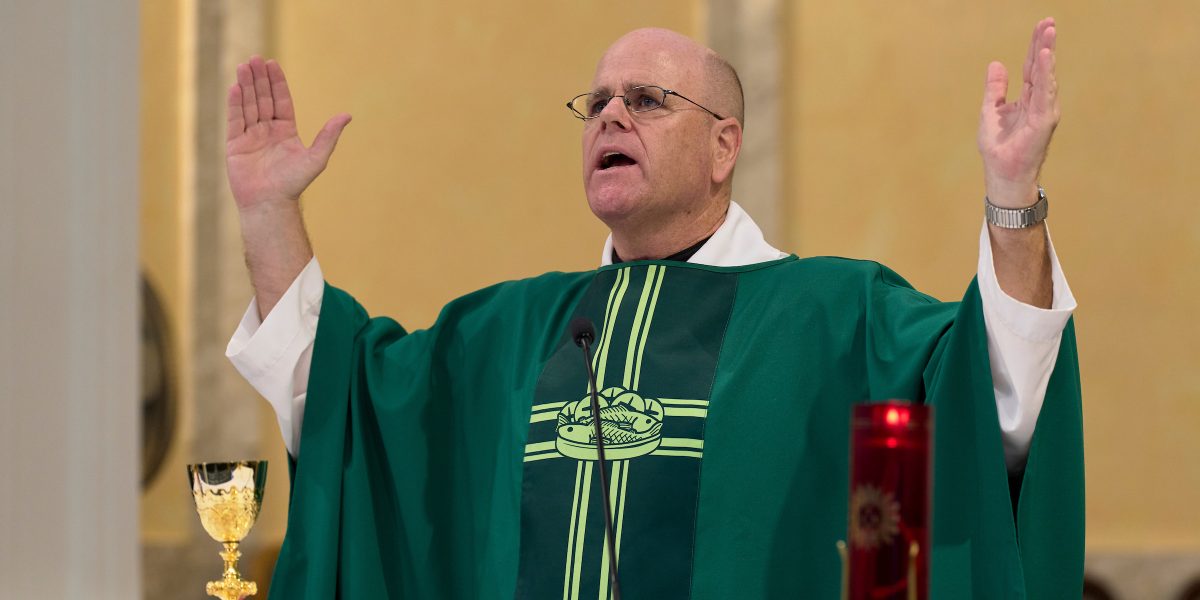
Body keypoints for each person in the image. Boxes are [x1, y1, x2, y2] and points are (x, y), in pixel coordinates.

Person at [225, 20, 1081, 599]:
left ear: (724, 146)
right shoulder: (510, 333)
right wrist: (268, 212)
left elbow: (999, 386)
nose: (610, 116)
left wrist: (1012, 196)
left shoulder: (838, 314)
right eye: (595, 103)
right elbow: (341, 399)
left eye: (645, 100)